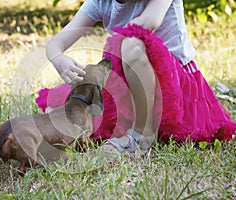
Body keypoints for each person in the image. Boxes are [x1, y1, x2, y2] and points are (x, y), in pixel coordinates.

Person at [36, 0, 236, 154]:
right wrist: (58, 59)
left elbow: (150, 21)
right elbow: (56, 43)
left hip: (172, 86)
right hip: (129, 84)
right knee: (57, 110)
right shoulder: (101, 2)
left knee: (131, 43)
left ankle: (142, 134)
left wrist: (114, 50)